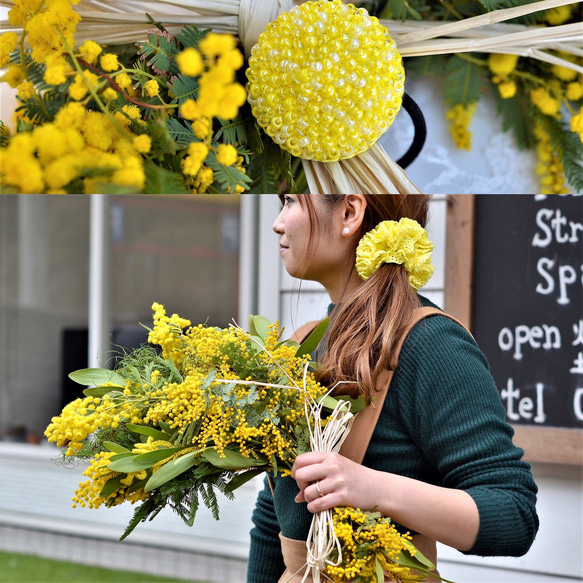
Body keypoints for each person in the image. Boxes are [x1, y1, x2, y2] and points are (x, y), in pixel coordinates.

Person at [246, 194, 539, 583]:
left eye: (292, 202)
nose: (278, 223)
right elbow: (276, 519)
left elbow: (515, 514)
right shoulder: (302, 345)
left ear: (349, 213)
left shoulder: (432, 345)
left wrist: (374, 488)